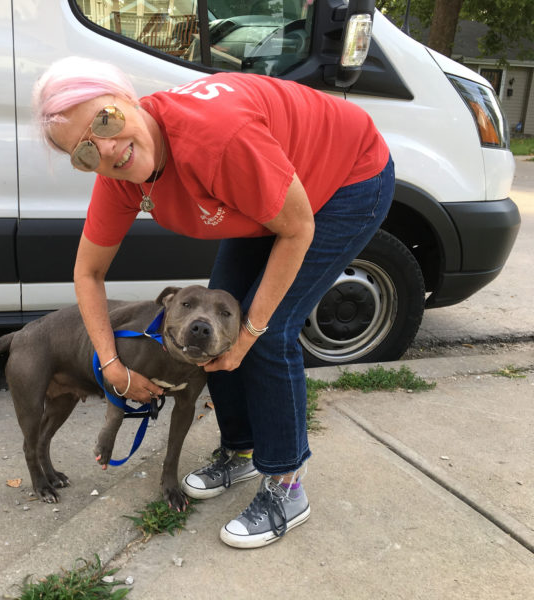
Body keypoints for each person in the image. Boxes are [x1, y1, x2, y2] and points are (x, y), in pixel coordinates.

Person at [32, 56, 394, 549]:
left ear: (128, 100)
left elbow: (297, 227)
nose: (108, 149)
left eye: (106, 120)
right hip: (266, 190)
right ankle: (241, 451)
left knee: (265, 334)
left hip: (346, 177)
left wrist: (252, 331)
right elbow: (87, 272)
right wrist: (111, 365)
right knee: (219, 329)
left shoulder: (214, 139)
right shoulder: (120, 176)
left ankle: (286, 486)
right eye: (85, 152)